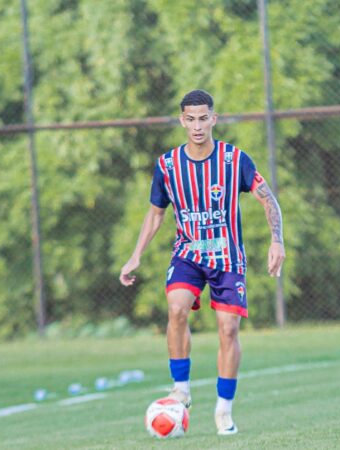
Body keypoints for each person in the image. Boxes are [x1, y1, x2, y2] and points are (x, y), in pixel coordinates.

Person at [119, 89, 285, 435]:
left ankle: (223, 410)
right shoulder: (167, 165)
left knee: (228, 329)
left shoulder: (234, 160)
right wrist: (135, 255)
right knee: (176, 308)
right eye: (190, 119)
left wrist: (277, 241)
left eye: (203, 118)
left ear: (214, 119)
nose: (197, 126)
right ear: (182, 121)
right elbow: (155, 215)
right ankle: (181, 387)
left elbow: (268, 199)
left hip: (227, 256)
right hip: (188, 254)